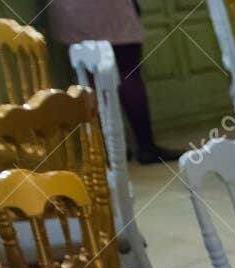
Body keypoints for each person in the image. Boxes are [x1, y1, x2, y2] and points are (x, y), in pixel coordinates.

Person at [46, 0, 179, 163]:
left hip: (71, 9)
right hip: (112, 8)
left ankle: (110, 150)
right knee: (128, 72)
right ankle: (145, 147)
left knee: (90, 76)